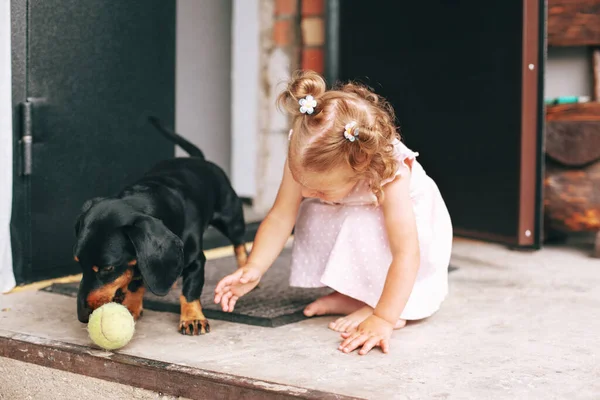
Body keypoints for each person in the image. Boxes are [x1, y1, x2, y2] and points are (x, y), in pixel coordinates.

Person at [214, 70, 453, 355]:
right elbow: (280, 216)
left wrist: (383, 319)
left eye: (320, 190)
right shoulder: (307, 151)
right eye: (305, 186)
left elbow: (407, 253)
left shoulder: (392, 173)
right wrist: (254, 269)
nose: (307, 194)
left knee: (363, 224)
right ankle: (353, 294)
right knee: (316, 214)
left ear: (361, 164)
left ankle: (385, 305)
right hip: (357, 214)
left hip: (411, 236)